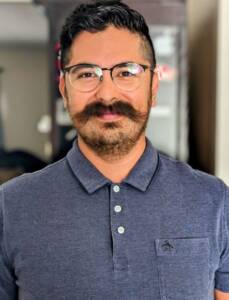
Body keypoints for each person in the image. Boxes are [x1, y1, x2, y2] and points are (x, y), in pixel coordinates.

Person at [0, 1, 228, 299]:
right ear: (64, 91)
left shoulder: (215, 201)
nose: (107, 93)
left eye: (127, 72)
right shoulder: (10, 207)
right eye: (86, 74)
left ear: (153, 87)